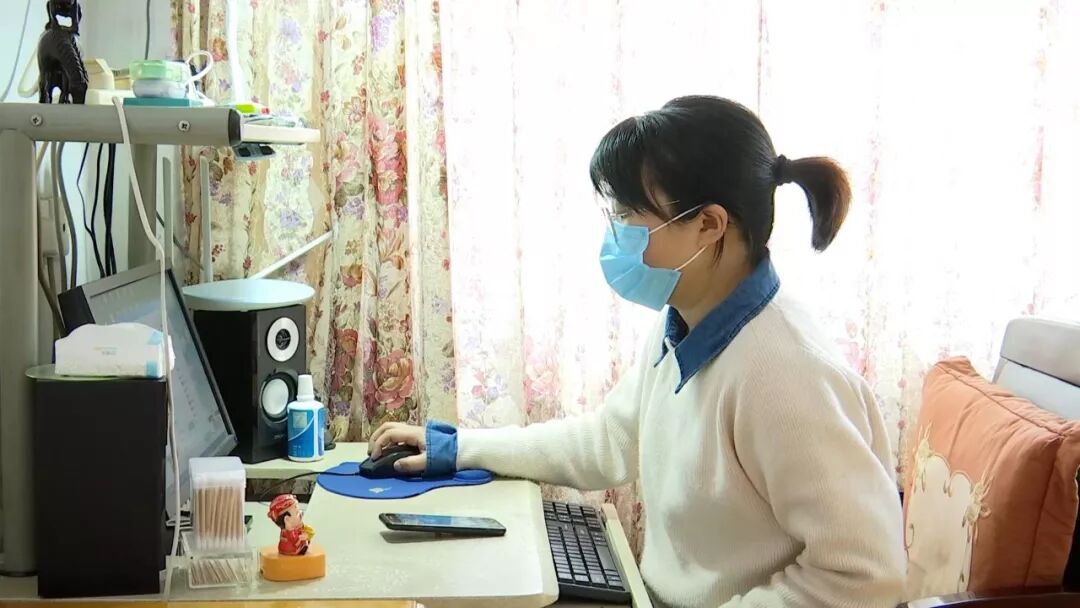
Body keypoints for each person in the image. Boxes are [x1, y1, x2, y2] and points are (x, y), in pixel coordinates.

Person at [370, 95, 906, 607]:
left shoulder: (786, 373)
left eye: (629, 216)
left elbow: (864, 575)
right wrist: (459, 448)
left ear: (709, 224)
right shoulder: (686, 322)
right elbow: (608, 440)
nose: (615, 234)